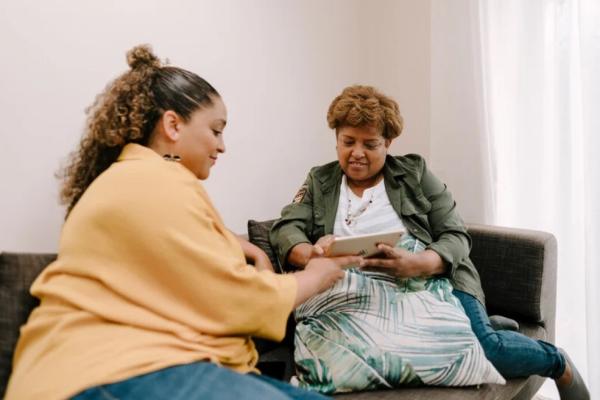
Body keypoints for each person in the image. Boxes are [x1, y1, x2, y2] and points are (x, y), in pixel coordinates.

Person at [5, 45, 362, 400]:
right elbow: (234, 300)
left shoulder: (140, 181)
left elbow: (189, 270)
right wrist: (316, 275)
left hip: (146, 365)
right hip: (106, 372)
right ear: (173, 125)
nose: (221, 147)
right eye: (216, 130)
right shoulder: (156, 180)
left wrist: (247, 248)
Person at [269, 85, 589, 400]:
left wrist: (420, 263)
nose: (356, 153)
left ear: (388, 142)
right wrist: (311, 252)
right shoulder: (319, 180)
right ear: (336, 138)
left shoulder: (415, 173)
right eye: (347, 141)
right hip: (355, 291)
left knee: (488, 348)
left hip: (429, 280)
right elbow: (287, 228)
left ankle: (558, 362)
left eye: (370, 144)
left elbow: (456, 235)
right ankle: (487, 323)